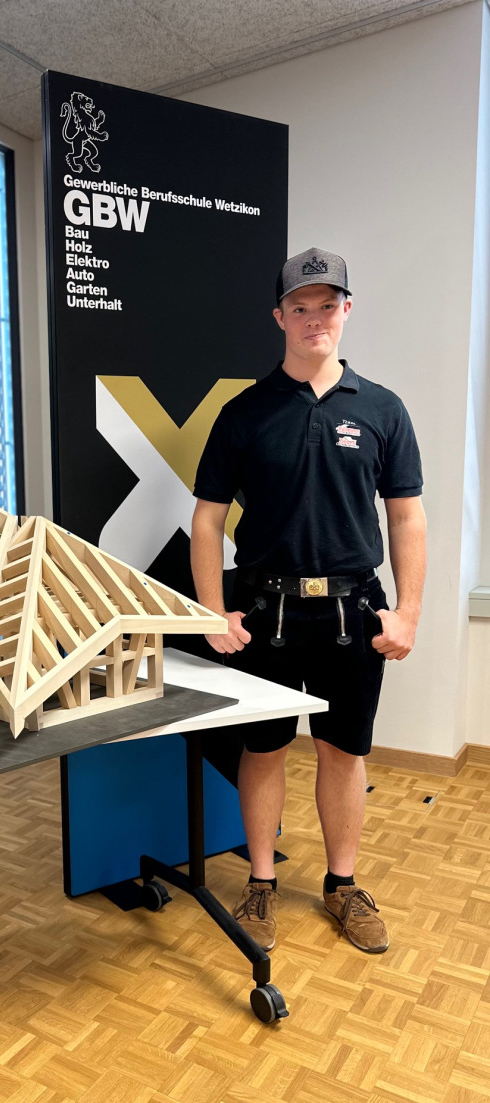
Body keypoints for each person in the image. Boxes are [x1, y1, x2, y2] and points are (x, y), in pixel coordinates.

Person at [190, 247, 426, 955]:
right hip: (266, 611)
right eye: (300, 306)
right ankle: (261, 882)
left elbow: (406, 517)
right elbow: (207, 519)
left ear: (346, 311)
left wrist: (408, 613)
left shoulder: (383, 409)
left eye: (328, 305)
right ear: (279, 316)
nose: (314, 318)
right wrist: (212, 610)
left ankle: (342, 885)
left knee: (342, 751)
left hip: (355, 612)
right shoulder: (244, 413)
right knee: (263, 749)